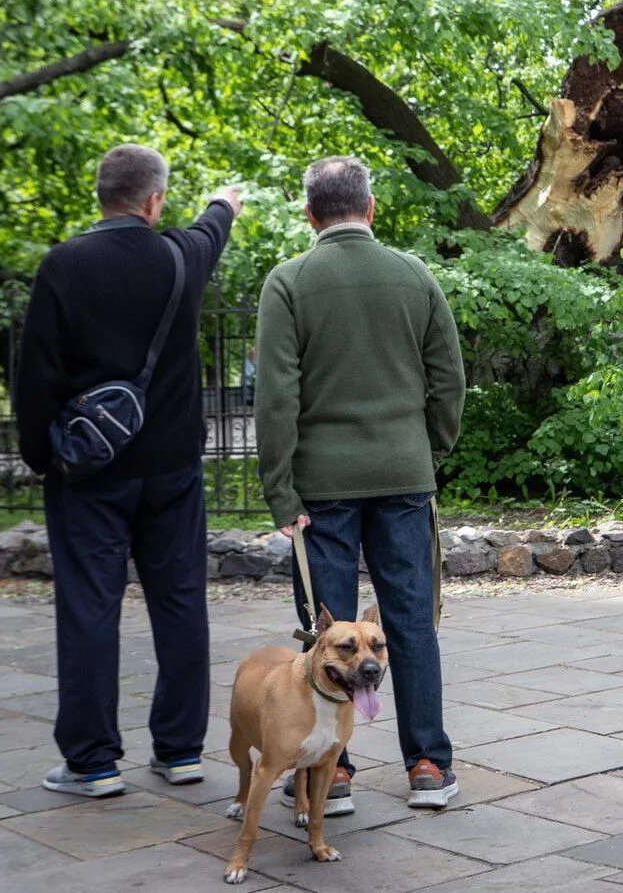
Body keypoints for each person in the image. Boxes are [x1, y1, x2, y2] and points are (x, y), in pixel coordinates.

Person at [14, 144, 242, 797]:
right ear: (154, 201)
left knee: (90, 606)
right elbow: (212, 226)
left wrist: (42, 455)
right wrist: (225, 200)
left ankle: (91, 761)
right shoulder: (179, 257)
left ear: (100, 195)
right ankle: (179, 751)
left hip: (88, 473)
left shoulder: (62, 265)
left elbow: (35, 378)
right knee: (179, 602)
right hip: (172, 469)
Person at [254, 155, 465, 814]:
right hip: (404, 473)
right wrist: (426, 449)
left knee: (327, 631)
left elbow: (277, 395)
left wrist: (279, 487)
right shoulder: (413, 274)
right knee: (410, 623)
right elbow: (448, 380)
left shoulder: (288, 282)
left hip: (321, 484)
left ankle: (332, 773)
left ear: (309, 214)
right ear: (370, 208)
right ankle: (428, 763)